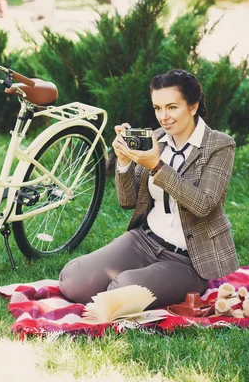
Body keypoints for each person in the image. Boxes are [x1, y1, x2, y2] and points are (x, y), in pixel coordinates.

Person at [58, 69, 239, 309]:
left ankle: (151, 282)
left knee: (121, 291)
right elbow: (127, 201)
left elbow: (203, 205)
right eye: (157, 108)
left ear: (193, 107)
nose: (163, 116)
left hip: (188, 260)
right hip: (144, 240)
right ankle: (136, 279)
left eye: (172, 107)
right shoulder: (156, 138)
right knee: (73, 282)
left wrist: (156, 166)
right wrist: (123, 162)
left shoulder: (219, 145)